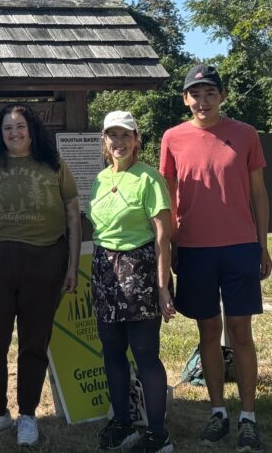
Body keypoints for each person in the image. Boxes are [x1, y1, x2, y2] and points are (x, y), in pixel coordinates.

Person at [159, 64, 271, 453]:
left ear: (222, 96)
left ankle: (248, 417)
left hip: (239, 247)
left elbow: (259, 194)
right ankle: (218, 411)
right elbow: (168, 197)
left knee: (240, 332)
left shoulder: (245, 134)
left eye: (210, 93)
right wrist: (172, 245)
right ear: (185, 99)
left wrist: (262, 245)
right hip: (194, 249)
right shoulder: (172, 138)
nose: (203, 101)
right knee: (208, 331)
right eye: (196, 94)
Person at [0, 103, 80, 447]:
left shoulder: (54, 164)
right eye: (8, 127)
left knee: (34, 341)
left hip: (45, 260)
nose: (14, 133)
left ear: (32, 130)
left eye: (20, 126)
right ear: (0, 133)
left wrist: (71, 266)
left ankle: (28, 414)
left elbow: (73, 216)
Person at [90, 111, 174, 453]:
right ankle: (122, 422)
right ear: (104, 141)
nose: (119, 142)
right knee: (112, 351)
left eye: (126, 135)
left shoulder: (149, 179)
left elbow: (163, 236)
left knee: (145, 354)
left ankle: (158, 434)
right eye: (112, 135)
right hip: (105, 272)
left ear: (136, 139)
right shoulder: (99, 179)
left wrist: (163, 287)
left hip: (140, 272)